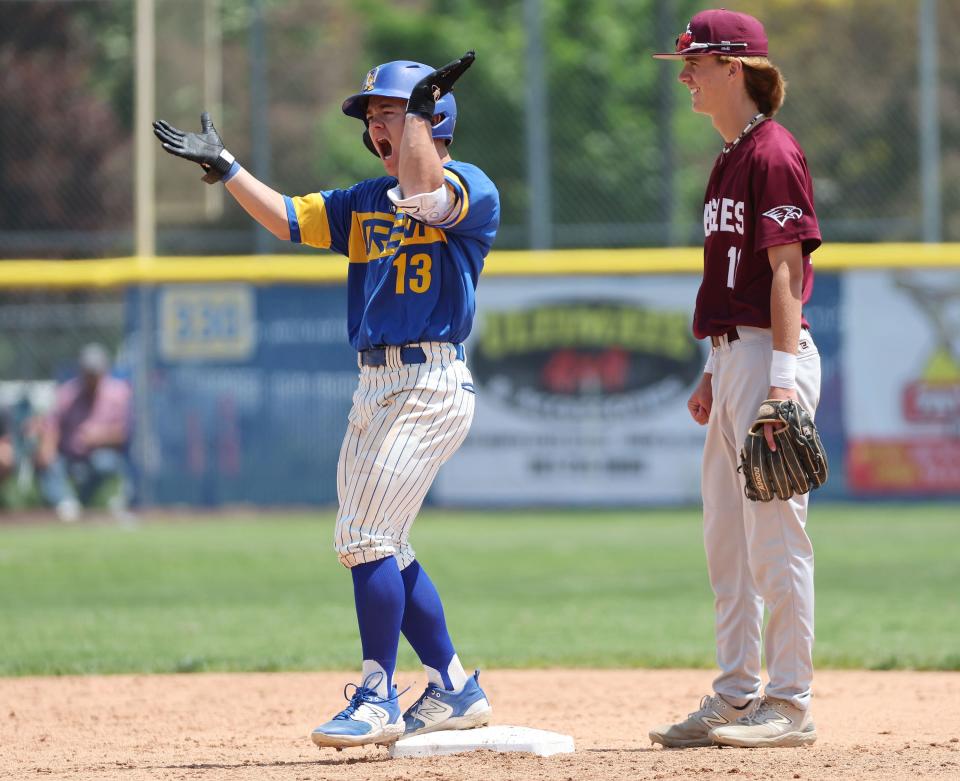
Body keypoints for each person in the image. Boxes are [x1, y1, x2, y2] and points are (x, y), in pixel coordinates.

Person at [153, 51, 500, 750]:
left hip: (429, 381)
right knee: (385, 543)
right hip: (374, 383)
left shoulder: (471, 185)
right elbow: (285, 217)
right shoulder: (362, 202)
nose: (376, 125)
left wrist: (421, 119)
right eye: (372, 116)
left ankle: (378, 693)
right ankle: (455, 684)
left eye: (389, 112)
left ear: (433, 120)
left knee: (363, 537)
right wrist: (227, 168)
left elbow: (431, 198)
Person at [648, 10, 822, 749]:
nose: (685, 74)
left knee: (775, 539)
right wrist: (712, 371)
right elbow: (735, 276)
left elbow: (786, 271)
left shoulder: (773, 152)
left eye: (696, 62)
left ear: (736, 68)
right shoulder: (730, 155)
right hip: (732, 356)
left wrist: (779, 382)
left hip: (768, 358)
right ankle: (736, 692)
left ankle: (788, 703)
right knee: (728, 540)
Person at [33, 343, 134, 523]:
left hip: (100, 455)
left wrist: (101, 436)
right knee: (48, 462)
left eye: (94, 373)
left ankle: (84, 503)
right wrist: (46, 448)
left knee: (105, 462)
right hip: (68, 455)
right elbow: (52, 425)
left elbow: (127, 432)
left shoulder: (119, 394)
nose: (90, 378)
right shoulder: (67, 393)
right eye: (87, 372)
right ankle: (66, 504)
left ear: (104, 371)